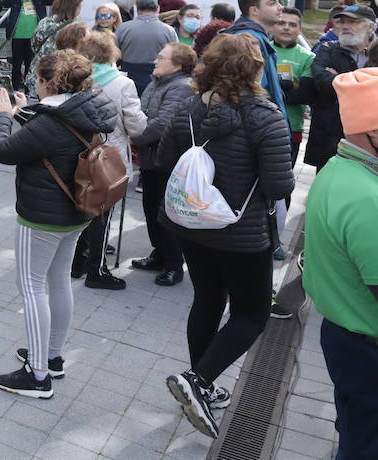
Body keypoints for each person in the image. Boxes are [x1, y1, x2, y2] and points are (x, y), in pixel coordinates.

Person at [160, 34, 294, 438]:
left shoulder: (188, 109)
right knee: (251, 313)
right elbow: (278, 186)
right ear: (255, 70)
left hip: (190, 226)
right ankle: (199, 381)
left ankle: (201, 382)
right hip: (241, 232)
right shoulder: (267, 117)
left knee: (207, 299)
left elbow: (166, 159)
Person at [0, 50, 117, 399]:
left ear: (46, 82)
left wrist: (2, 116)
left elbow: (2, 150)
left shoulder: (50, 123)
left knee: (31, 286)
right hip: (78, 211)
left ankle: (37, 374)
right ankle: (53, 356)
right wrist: (22, 112)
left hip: (42, 217)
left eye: (37, 81)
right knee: (58, 280)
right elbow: (47, 138)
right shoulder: (87, 108)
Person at [302, 68, 378, 458]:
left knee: (355, 431)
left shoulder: (338, 166)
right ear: (371, 132)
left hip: (344, 336)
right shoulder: (369, 199)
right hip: (367, 347)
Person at [71, 32, 146, 289]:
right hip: (109, 158)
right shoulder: (123, 84)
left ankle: (77, 262)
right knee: (102, 214)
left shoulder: (78, 80)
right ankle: (96, 269)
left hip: (79, 153)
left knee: (83, 209)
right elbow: (136, 125)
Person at [129, 42, 197, 286]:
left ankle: (173, 263)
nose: (155, 61)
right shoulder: (157, 81)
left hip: (167, 160)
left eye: (161, 58)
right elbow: (140, 110)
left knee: (166, 211)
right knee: (150, 208)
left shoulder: (181, 87)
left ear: (178, 64)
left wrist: (133, 137)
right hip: (150, 157)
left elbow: (163, 123)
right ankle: (159, 252)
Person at [304, 5, 374, 172]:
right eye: (342, 22)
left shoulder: (376, 52)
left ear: (371, 26)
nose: (345, 26)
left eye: (353, 22)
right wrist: (366, 86)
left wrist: (339, 79)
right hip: (330, 139)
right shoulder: (328, 49)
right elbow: (323, 83)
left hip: (369, 142)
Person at [221, 0, 287, 114]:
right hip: (257, 124)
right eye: (272, 3)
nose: (281, 7)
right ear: (254, 10)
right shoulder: (249, 40)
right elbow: (251, 92)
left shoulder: (255, 37)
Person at [270, 6, 315, 167]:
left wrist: (270, 89)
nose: (286, 27)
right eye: (281, 23)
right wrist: (291, 85)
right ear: (273, 25)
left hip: (292, 126)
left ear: (299, 29)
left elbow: (305, 95)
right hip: (259, 123)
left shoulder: (308, 57)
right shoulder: (260, 49)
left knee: (283, 179)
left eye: (292, 24)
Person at [115, 0, 179, 94]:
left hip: (129, 82)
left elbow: (114, 57)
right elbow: (176, 58)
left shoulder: (123, 29)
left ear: (136, 7)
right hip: (159, 82)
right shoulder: (169, 31)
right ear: (157, 7)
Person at [1, 0, 54, 91]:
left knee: (30, 64)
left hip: (33, 37)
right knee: (16, 62)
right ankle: (16, 86)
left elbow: (52, 0)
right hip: (18, 35)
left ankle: (27, 86)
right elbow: (5, 1)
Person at [25, 0, 82, 94]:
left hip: (38, 74)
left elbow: (34, 45)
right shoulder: (76, 28)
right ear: (74, 7)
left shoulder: (44, 22)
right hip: (61, 78)